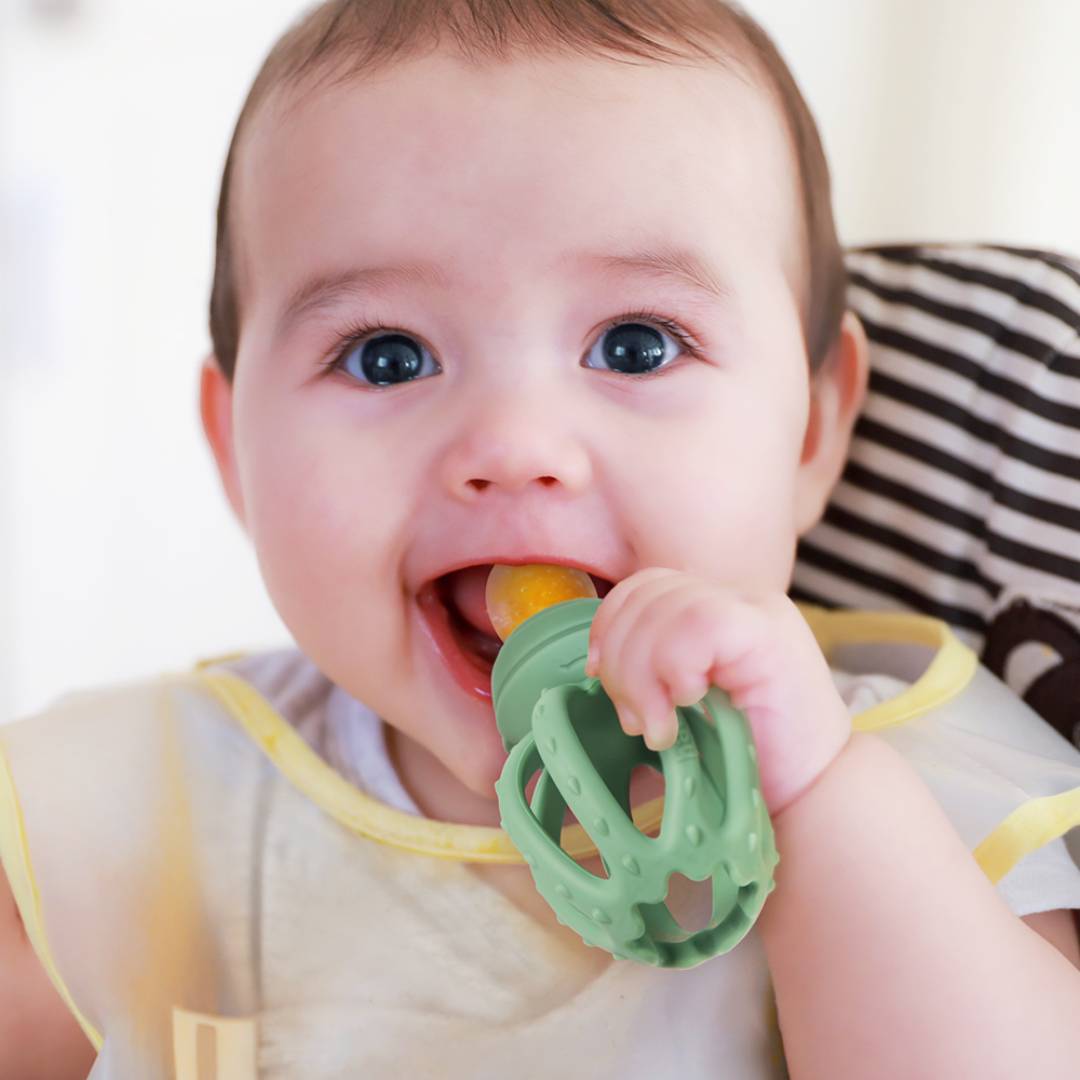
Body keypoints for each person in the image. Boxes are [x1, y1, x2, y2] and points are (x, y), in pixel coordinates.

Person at [2, 2, 1079, 1077]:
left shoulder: (912, 782)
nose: (515, 448)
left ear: (812, 429)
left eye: (636, 344)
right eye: (387, 356)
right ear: (236, 451)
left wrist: (820, 797)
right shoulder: (138, 812)